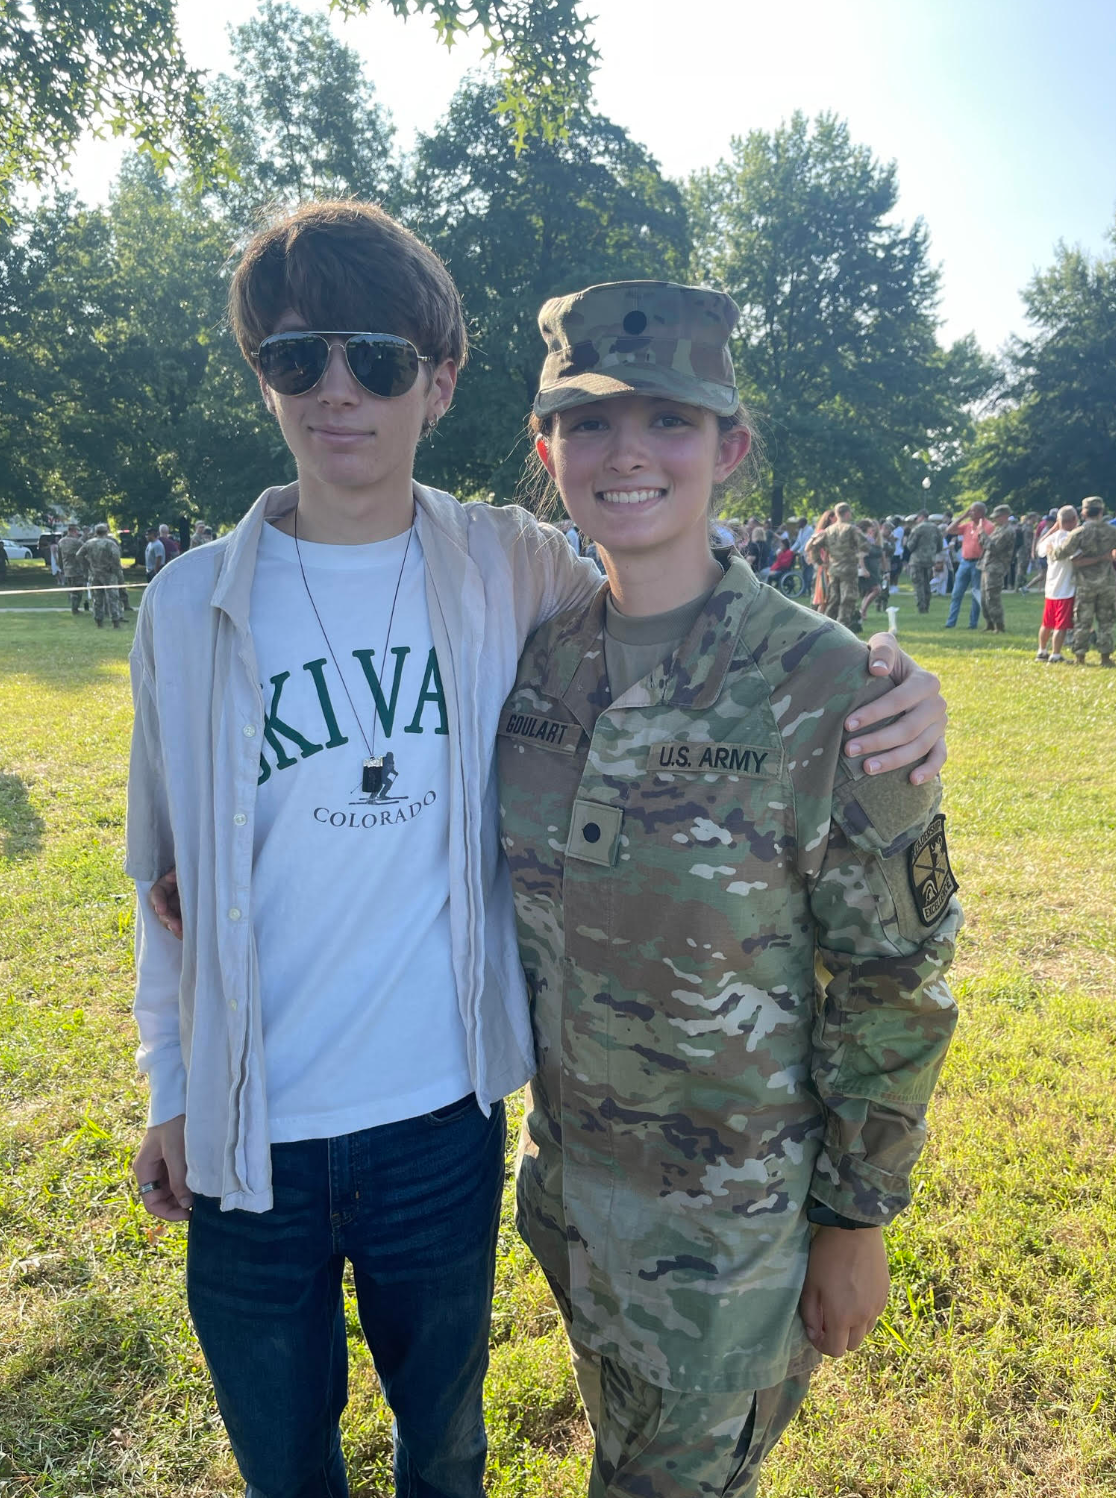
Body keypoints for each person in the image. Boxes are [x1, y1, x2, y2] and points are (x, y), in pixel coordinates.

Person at [132, 217, 948, 1498]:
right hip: (425, 1172)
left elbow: (893, 966)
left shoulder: (556, 589)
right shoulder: (505, 634)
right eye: (298, 360)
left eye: (381, 362)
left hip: (575, 1179)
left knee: (479, 1455)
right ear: (545, 446)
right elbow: (167, 880)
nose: (339, 389)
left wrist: (898, 685)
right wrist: (171, 1077)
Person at [500, 279, 960, 1498]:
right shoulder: (537, 662)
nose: (626, 452)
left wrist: (858, 1219)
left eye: (669, 420)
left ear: (730, 446)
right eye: (587, 423)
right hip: (574, 1207)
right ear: (547, 451)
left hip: (729, 1249)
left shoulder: (830, 686)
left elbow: (896, 974)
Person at [1049, 496, 1116, 666]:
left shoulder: (1079, 532)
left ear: (1084, 513)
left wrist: (1050, 549)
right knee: (1106, 621)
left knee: (1082, 622)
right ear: (1101, 511)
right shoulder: (1111, 531)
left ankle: (1080, 656)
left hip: (1085, 584)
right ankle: (1105, 657)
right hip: (1108, 582)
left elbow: (1061, 554)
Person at [806, 502, 868, 632]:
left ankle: (828, 625)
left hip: (833, 569)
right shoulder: (851, 529)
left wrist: (820, 562)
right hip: (849, 569)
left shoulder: (828, 530)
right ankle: (843, 626)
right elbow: (865, 545)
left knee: (833, 599)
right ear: (847, 513)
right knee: (848, 598)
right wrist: (857, 555)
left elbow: (814, 546)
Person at [1034, 506, 1079, 662]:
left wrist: (1053, 529)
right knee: (1061, 624)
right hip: (1066, 587)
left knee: (1046, 622)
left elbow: (1039, 548)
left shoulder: (1051, 538)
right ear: (1074, 519)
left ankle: (1042, 650)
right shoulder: (1072, 538)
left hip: (1051, 587)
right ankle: (1056, 654)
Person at [943, 502, 993, 629]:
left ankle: (973, 623)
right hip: (965, 562)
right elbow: (949, 530)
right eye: (970, 511)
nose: (971, 513)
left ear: (981, 513)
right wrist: (962, 517)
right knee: (956, 593)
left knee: (976, 594)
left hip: (978, 562)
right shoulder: (968, 525)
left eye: (973, 511)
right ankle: (951, 622)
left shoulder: (988, 526)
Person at [77, 522, 124, 627]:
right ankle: (115, 620)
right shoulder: (110, 543)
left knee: (97, 598)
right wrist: (118, 574)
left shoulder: (89, 543)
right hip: (109, 574)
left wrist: (88, 565)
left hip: (94, 574)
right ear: (106, 531)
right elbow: (116, 559)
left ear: (95, 532)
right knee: (112, 598)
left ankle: (99, 621)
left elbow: (79, 555)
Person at [977, 505, 1016, 633]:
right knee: (984, 598)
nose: (995, 520)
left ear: (1004, 516)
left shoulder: (1007, 531)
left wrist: (982, 533)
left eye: (997, 517)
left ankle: (999, 625)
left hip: (996, 567)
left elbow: (994, 547)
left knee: (992, 597)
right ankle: (989, 623)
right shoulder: (998, 530)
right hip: (987, 565)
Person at [906, 509, 942, 613]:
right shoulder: (936, 528)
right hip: (930, 560)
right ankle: (927, 605)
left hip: (917, 560)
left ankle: (921, 607)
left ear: (921, 517)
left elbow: (910, 546)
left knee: (918, 584)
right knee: (927, 584)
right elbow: (940, 546)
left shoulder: (917, 528)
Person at [59, 522, 90, 614]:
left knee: (72, 589)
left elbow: (59, 557)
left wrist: (61, 568)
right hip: (77, 569)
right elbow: (85, 552)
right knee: (78, 590)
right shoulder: (77, 542)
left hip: (67, 569)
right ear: (74, 531)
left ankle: (74, 608)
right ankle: (75, 608)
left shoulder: (61, 541)